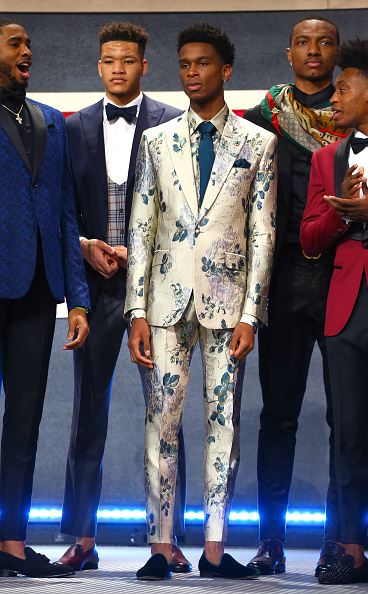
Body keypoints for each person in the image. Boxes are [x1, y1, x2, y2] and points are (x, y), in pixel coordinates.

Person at [125, 22, 277, 580]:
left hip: (227, 304)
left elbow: (264, 233)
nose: (192, 73)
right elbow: (141, 228)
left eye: (203, 64)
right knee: (159, 424)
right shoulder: (156, 141)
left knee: (224, 426)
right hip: (164, 305)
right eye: (185, 64)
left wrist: (251, 313)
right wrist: (135, 311)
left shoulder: (258, 143)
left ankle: (215, 548)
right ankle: (160, 548)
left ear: (226, 70)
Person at [56, 22, 190, 573]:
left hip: (155, 289)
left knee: (167, 413)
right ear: (98, 66)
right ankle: (82, 538)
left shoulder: (170, 122)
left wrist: (146, 252)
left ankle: (166, 538)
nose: (118, 68)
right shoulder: (72, 127)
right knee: (87, 413)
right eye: (109, 59)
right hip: (94, 287)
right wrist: (85, 245)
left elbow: (185, 210)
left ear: (144, 66)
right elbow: (62, 207)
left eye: (128, 60)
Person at [244, 16, 350, 576]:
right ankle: (271, 541)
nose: (314, 51)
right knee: (278, 416)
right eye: (304, 43)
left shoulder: (357, 112)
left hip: (342, 276)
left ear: (337, 51)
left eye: (325, 43)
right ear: (288, 53)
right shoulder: (266, 115)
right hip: (282, 277)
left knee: (345, 418)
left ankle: (339, 540)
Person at [301, 37, 368, 585]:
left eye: (342, 88)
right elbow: (311, 238)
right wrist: (343, 214)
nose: (333, 97)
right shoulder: (326, 158)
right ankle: (350, 551)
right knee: (350, 435)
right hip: (344, 312)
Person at [0, 19, 90, 578]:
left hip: (36, 288)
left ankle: (10, 541)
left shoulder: (49, 122)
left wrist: (76, 299)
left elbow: (63, 213)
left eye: (29, 43)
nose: (28, 51)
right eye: (15, 44)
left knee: (26, 419)